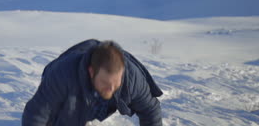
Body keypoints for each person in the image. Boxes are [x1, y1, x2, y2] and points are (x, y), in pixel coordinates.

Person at [22, 39, 163, 126]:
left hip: (98, 99)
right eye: (105, 83)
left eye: (116, 82)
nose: (111, 88)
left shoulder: (132, 79)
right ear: (91, 72)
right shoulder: (62, 75)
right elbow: (36, 113)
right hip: (70, 92)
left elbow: (150, 110)